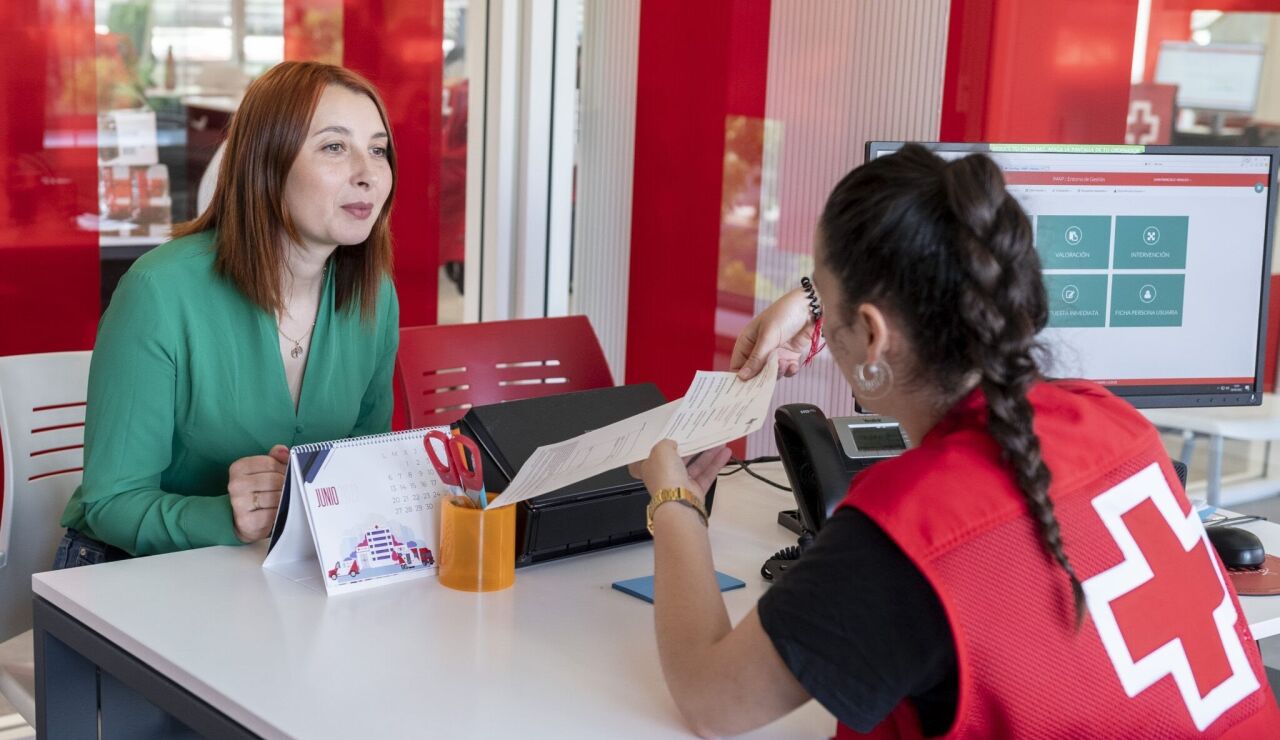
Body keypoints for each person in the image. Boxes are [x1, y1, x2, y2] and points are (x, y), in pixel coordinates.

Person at [629, 144, 1280, 737]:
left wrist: (674, 502)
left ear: (875, 334)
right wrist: (813, 297)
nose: (818, 329)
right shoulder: (1113, 421)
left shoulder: (909, 531)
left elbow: (712, 701)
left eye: (825, 304)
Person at [54, 61, 400, 568]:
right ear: (266, 162)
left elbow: (362, 461)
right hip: (128, 572)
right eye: (334, 146)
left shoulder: (375, 294)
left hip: (280, 569)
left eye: (377, 150)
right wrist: (226, 517)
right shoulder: (159, 291)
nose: (368, 174)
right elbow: (110, 503)